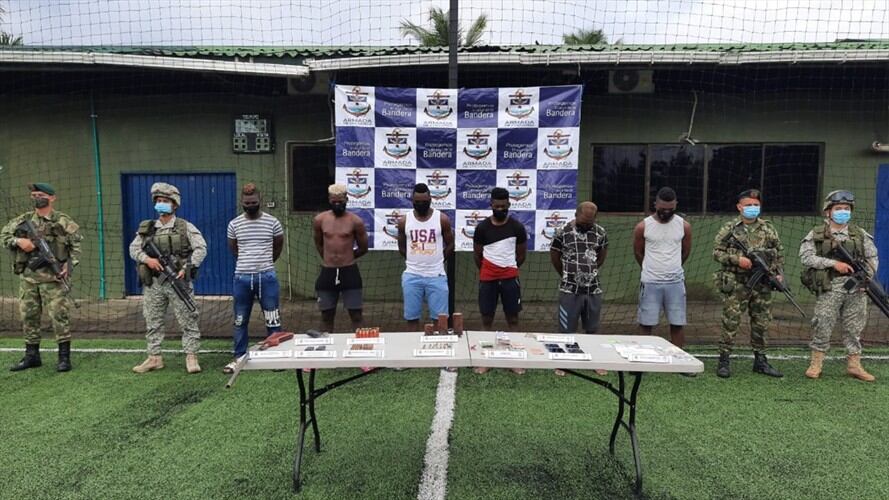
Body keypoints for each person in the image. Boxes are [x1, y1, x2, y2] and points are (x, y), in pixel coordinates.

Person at [1, 183, 81, 372]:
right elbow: (4, 235)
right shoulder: (24, 220)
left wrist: (68, 266)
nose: (37, 197)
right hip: (28, 279)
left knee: (59, 317)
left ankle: (63, 358)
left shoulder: (63, 221)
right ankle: (32, 356)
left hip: (54, 280)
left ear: (52, 198)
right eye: (34, 194)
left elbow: (76, 247)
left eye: (41, 194)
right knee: (29, 317)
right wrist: (18, 241)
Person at [799, 190, 878, 381]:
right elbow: (806, 257)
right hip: (830, 285)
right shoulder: (817, 233)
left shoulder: (859, 234)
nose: (843, 212)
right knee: (822, 322)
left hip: (856, 286)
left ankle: (854, 364)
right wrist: (834, 264)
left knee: (854, 326)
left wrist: (865, 279)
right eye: (838, 208)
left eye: (846, 208)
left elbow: (872, 258)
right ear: (828, 211)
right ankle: (816, 363)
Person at [129, 182, 207, 374]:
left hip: (178, 280)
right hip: (154, 283)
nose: (161, 204)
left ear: (175, 204)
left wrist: (188, 266)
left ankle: (191, 356)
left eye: (165, 201)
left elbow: (201, 248)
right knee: (152, 320)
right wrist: (147, 260)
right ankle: (154, 357)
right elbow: (134, 249)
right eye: (159, 201)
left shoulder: (184, 227)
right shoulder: (147, 229)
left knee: (188, 318)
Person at [712, 189, 784, 379]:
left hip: (761, 284)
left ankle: (760, 361)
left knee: (761, 322)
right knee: (731, 321)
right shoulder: (730, 229)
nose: (753, 208)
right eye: (748, 205)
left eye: (756, 205)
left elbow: (778, 253)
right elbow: (717, 253)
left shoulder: (768, 229)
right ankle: (724, 360)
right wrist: (737, 260)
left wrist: (777, 273)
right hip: (737, 283)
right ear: (739, 207)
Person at [223, 183, 285, 374]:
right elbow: (234, 249)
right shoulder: (234, 224)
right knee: (240, 320)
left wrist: (264, 264)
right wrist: (248, 265)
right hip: (242, 278)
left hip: (267, 277)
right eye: (247, 202)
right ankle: (240, 356)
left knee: (272, 319)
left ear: (260, 201)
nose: (250, 205)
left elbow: (278, 247)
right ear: (242, 202)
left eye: (254, 202)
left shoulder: (273, 222)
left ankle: (276, 358)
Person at [473, 187, 527, 374]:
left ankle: (514, 360)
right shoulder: (482, 228)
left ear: (509, 205)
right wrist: (490, 271)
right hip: (488, 279)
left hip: (510, 278)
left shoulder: (517, 227)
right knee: (487, 318)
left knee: (513, 318)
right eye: (497, 206)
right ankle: (484, 359)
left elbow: (521, 255)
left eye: (503, 206)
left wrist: (506, 269)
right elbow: (477, 255)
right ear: (491, 205)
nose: (500, 209)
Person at [633, 187, 692, 352]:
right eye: (662, 208)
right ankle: (643, 359)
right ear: (655, 204)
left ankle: (679, 359)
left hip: (675, 282)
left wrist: (672, 267)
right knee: (646, 323)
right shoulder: (642, 227)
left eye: (670, 209)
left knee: (677, 323)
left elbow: (686, 252)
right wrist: (650, 269)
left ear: (676, 205)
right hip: (650, 282)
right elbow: (638, 252)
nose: (666, 212)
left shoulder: (684, 226)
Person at [397, 183, 454, 331]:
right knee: (411, 317)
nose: (421, 204)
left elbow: (451, 244)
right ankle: (412, 344)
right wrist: (412, 260)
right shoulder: (404, 221)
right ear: (412, 201)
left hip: (436, 275)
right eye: (418, 202)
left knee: (440, 318)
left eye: (424, 201)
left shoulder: (442, 219)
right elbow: (402, 247)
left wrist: (440, 259)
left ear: (430, 199)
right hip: (412, 275)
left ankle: (440, 348)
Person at [312, 184, 369, 333]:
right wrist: (329, 259)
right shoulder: (320, 220)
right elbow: (318, 243)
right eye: (334, 201)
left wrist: (347, 257)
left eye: (340, 202)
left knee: (356, 316)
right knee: (326, 317)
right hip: (328, 272)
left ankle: (360, 350)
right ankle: (326, 350)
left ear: (346, 200)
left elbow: (364, 248)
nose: (337, 204)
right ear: (329, 200)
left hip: (349, 272)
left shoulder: (355, 221)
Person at [550, 201, 608, 334]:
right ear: (576, 215)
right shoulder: (562, 232)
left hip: (593, 289)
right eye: (583, 222)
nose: (586, 225)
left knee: (592, 330)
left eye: (589, 223)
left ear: (595, 218)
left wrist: (589, 271)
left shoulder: (601, 233)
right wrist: (567, 273)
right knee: (566, 331)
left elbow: (601, 256)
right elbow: (554, 256)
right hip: (569, 290)